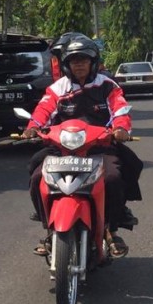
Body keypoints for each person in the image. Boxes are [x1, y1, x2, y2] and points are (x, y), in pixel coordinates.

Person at [21, 35, 140, 258]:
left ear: (93, 62)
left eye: (83, 60)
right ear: (67, 65)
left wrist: (121, 128)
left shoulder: (107, 86)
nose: (79, 65)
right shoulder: (58, 88)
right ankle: (49, 229)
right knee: (36, 174)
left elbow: (120, 109)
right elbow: (43, 110)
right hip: (63, 147)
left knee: (114, 177)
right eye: (74, 61)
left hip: (100, 146)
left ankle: (111, 228)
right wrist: (32, 127)